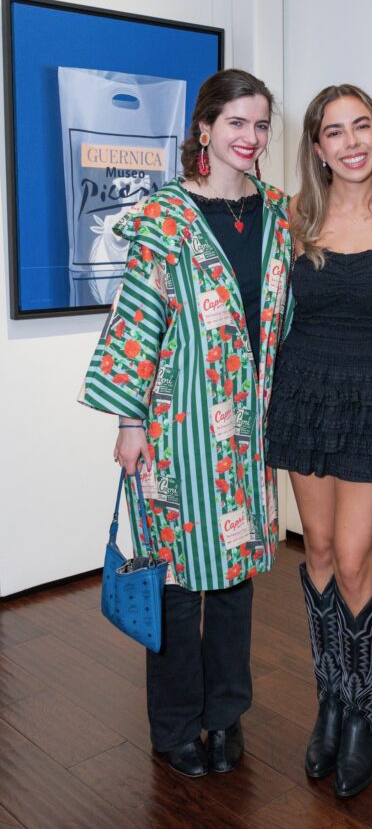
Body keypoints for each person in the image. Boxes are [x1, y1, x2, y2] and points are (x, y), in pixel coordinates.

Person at [80, 69, 291, 778]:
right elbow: (136, 320)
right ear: (204, 128)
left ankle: (226, 716)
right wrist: (129, 419)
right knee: (175, 582)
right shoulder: (165, 216)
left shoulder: (278, 214)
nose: (250, 138)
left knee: (234, 581)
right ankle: (174, 727)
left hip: (250, 428)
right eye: (236, 123)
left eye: (260, 125)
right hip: (179, 425)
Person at [266, 84, 372, 797]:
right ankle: (328, 699)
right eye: (336, 132)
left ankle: (363, 713)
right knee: (320, 550)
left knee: (359, 556)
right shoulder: (295, 216)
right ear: (318, 146)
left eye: (363, 127)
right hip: (303, 394)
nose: (352, 141)